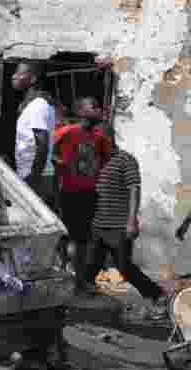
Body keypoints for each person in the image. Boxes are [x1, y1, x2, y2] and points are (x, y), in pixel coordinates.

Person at [83, 123, 169, 320]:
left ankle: (157, 295)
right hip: (98, 223)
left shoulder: (125, 160)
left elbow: (134, 189)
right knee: (91, 266)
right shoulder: (97, 161)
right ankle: (90, 308)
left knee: (124, 268)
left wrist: (131, 221)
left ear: (109, 138)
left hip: (119, 224)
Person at [54, 96, 111, 290]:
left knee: (83, 240)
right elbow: (49, 153)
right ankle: (64, 275)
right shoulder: (66, 132)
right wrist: (59, 166)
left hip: (89, 194)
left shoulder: (100, 139)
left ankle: (79, 280)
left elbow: (105, 164)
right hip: (68, 192)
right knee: (65, 237)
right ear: (80, 111)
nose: (99, 110)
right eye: (93, 106)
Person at [12, 62, 55, 198]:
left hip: (36, 177)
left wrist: (34, 177)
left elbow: (42, 144)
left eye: (20, 73)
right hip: (30, 174)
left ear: (33, 79)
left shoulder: (38, 106)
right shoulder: (31, 105)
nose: (14, 76)